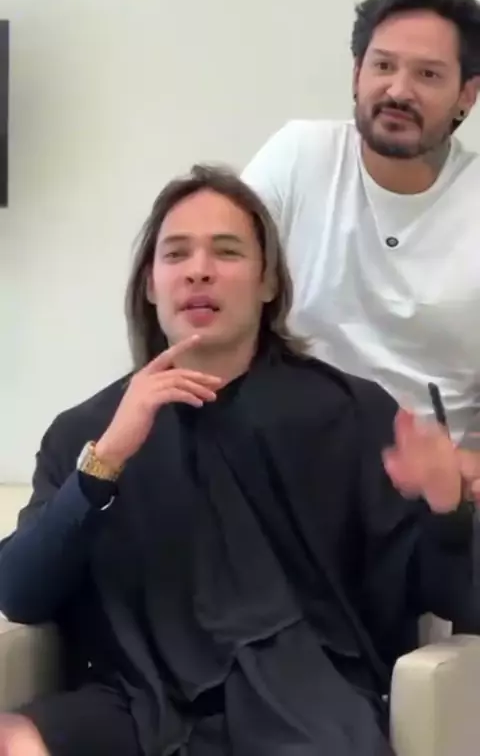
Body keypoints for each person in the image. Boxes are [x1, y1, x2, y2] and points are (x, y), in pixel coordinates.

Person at [0, 165, 479, 756]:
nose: (199, 270)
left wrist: (448, 509)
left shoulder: (351, 413)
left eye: (226, 252)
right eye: (176, 254)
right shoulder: (88, 431)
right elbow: (18, 592)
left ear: (268, 282)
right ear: (150, 284)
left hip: (302, 697)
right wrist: (106, 461)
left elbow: (460, 599)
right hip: (139, 701)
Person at [242, 0, 480, 444]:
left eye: (428, 74)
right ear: (357, 74)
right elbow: (220, 277)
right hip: (283, 450)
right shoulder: (299, 155)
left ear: (466, 96)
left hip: (429, 473)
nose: (398, 91)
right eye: (383, 66)